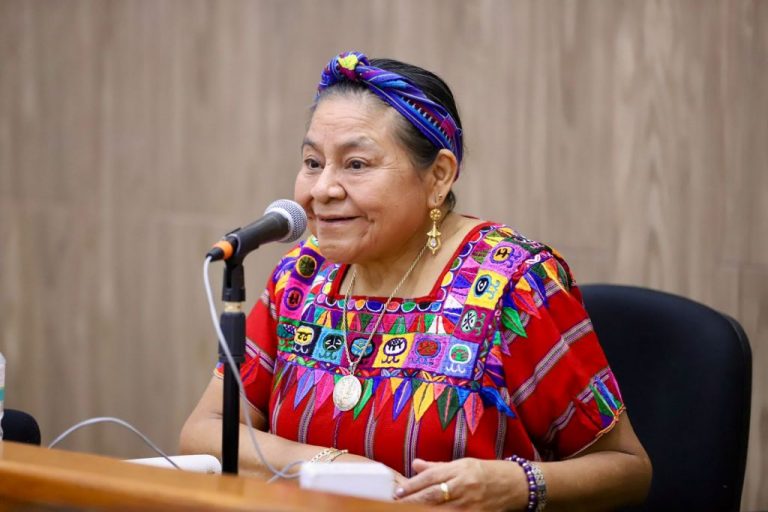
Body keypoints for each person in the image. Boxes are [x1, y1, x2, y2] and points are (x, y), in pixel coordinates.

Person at [180, 50, 652, 510]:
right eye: (312, 163)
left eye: (356, 164)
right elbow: (205, 430)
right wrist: (332, 465)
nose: (322, 189)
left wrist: (517, 484)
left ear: (439, 177)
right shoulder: (303, 275)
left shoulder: (514, 284)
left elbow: (628, 470)